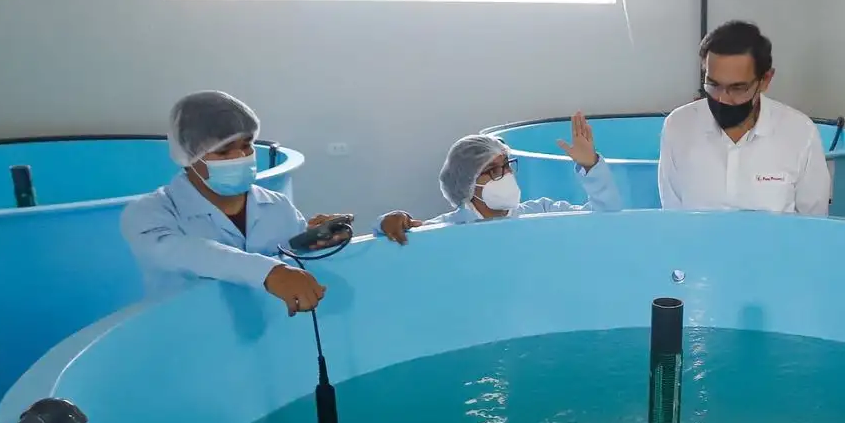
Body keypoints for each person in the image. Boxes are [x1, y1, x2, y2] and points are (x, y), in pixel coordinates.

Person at [121, 91, 334, 315]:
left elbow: (296, 258)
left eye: (246, 144)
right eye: (224, 151)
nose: (241, 156)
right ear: (190, 157)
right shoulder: (150, 213)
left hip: (269, 334)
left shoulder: (277, 205)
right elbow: (190, 253)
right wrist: (269, 272)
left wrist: (316, 240)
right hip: (188, 337)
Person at [657, 20, 831, 216]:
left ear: (765, 80)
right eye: (713, 84)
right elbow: (673, 215)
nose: (722, 98)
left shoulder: (799, 133)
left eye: (737, 88)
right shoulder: (679, 127)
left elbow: (814, 221)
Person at [378, 112, 622, 244]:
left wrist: (590, 165)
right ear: (468, 182)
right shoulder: (448, 231)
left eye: (506, 166)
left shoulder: (541, 213)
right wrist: (386, 223)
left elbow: (604, 217)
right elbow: (393, 239)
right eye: (493, 170)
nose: (504, 175)